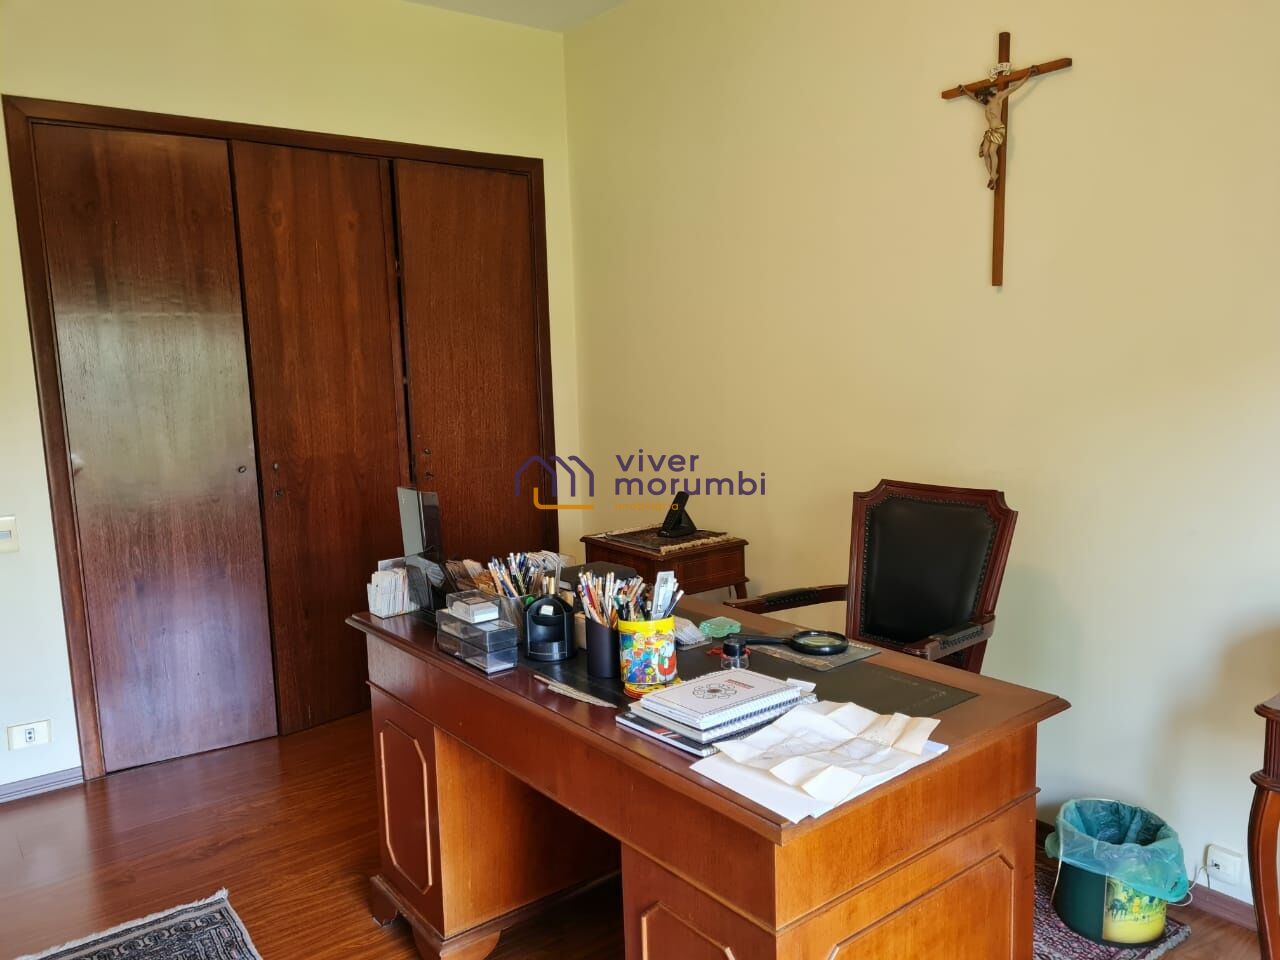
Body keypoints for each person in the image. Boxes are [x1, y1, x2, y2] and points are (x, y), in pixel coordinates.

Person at [956, 65, 1039, 189]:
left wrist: (1028, 75)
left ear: (985, 94)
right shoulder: (986, 104)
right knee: (985, 153)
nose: (980, 99)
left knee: (991, 151)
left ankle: (993, 176)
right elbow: (973, 97)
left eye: (981, 97)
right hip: (990, 131)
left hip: (998, 129)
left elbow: (1014, 88)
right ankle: (992, 176)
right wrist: (965, 91)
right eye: (979, 98)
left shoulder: (998, 97)